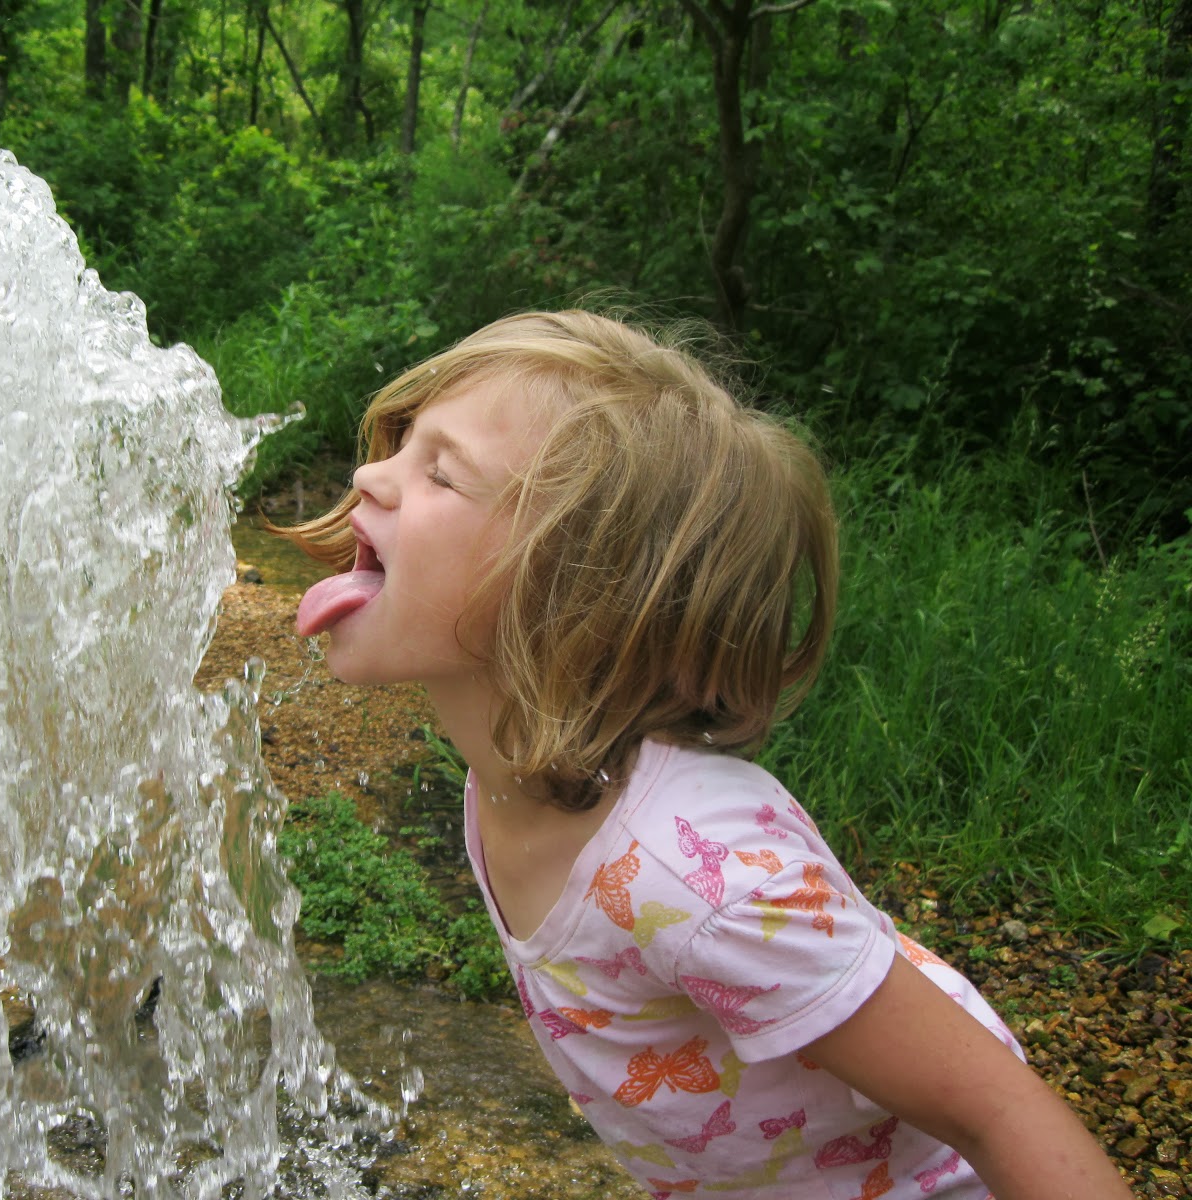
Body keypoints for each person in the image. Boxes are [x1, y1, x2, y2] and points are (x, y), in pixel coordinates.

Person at [275, 310, 1132, 1200]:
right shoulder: (512, 776)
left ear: (577, 593)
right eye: (403, 443)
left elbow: (999, 1111)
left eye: (441, 472)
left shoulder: (697, 877)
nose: (369, 474)